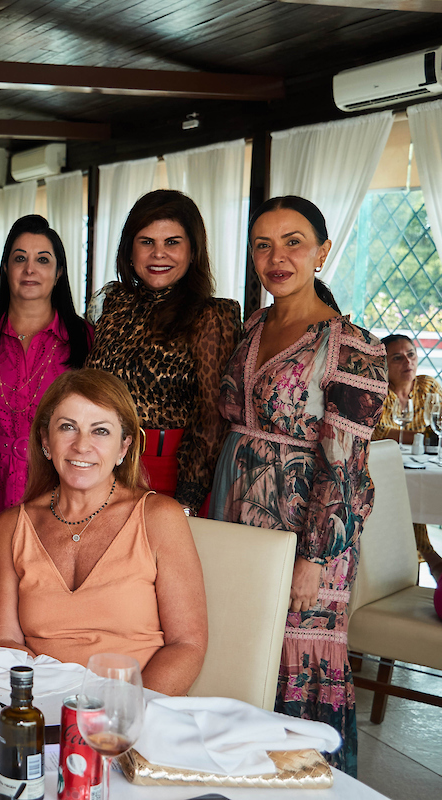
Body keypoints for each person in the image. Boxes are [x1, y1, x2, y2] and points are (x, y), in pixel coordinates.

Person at [210, 196, 388, 776]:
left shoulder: (351, 346)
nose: (276, 256)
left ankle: (304, 782)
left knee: (292, 657)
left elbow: (343, 465)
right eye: (263, 243)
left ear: (322, 252)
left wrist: (313, 558)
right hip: (238, 515)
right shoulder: (254, 327)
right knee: (241, 647)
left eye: (293, 242)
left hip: (306, 532)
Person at [0, 369, 208, 696]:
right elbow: (4, 641)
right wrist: (47, 706)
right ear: (46, 442)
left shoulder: (160, 517)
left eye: (100, 431)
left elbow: (187, 644)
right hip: (42, 706)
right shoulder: (11, 525)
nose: (82, 445)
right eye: (67, 428)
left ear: (123, 447)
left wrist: (121, 716)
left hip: (141, 711)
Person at [86, 190, 240, 514]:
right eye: (146, 242)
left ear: (193, 250)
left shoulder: (212, 315)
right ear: (130, 250)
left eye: (172, 242)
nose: (158, 254)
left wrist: (187, 500)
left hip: (166, 474)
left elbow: (212, 419)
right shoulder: (112, 303)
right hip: (100, 463)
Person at [0, 215, 92, 563]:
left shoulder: (85, 338)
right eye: (19, 258)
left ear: (58, 272)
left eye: (43, 259)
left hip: (56, 480)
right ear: (6, 267)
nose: (30, 269)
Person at [372, 333, 442, 580]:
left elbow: (438, 426)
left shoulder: (427, 386)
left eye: (411, 354)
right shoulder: (379, 392)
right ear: (383, 363)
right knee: (404, 491)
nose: (407, 362)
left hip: (421, 467)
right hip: (387, 472)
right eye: (397, 358)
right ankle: (431, 557)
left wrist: (406, 435)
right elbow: (379, 432)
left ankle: (430, 557)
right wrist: (423, 435)